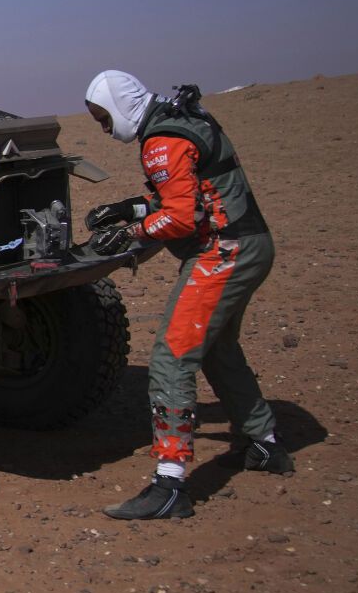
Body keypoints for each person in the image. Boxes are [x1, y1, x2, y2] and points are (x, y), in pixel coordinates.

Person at [83, 71, 286, 521]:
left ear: (120, 105)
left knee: (172, 358)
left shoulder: (161, 141)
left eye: (102, 118)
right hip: (252, 245)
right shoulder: (181, 120)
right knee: (216, 349)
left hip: (222, 255)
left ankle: (170, 484)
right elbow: (188, 189)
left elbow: (180, 218)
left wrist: (130, 232)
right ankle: (264, 444)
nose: (103, 127)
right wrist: (127, 207)